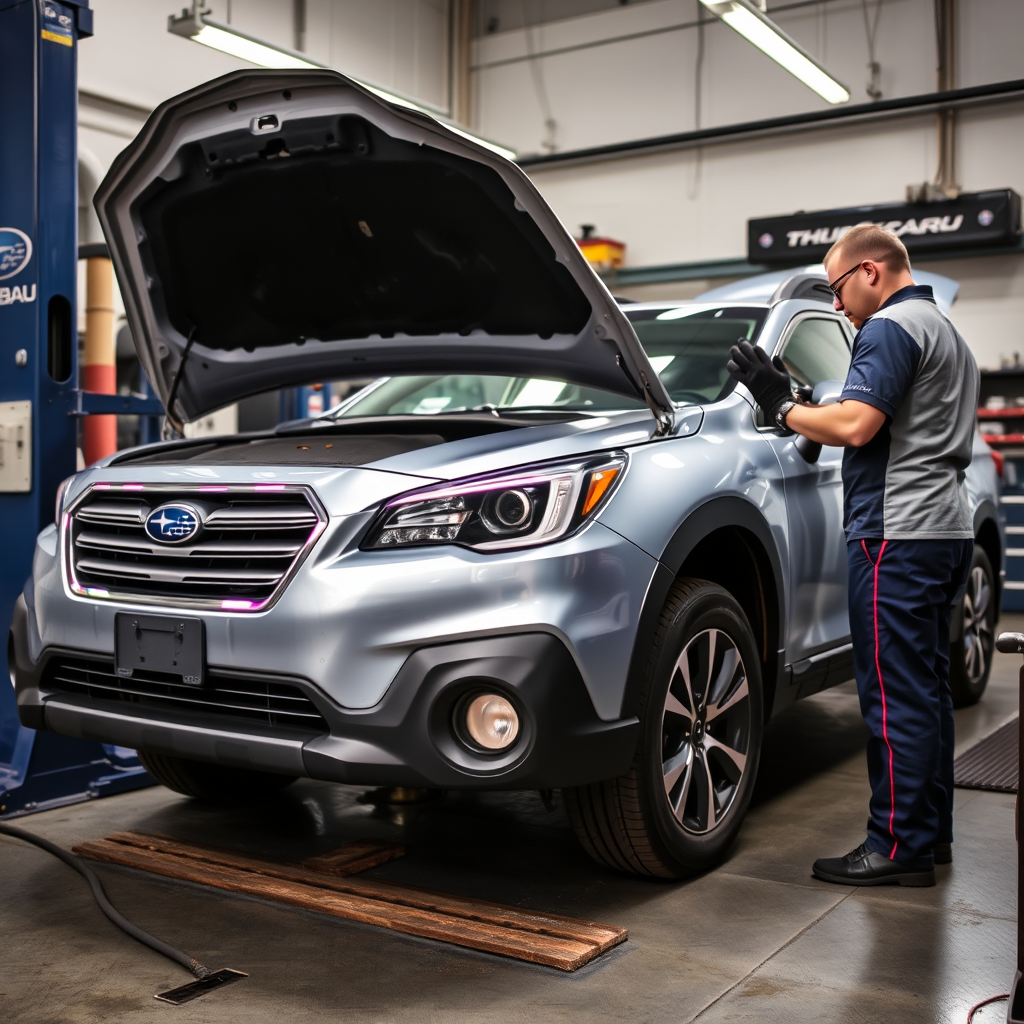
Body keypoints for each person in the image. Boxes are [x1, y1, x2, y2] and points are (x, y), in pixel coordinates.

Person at [728, 223, 979, 887]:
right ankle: (930, 835)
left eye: (838, 288)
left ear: (870, 271)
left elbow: (857, 424)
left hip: (896, 534)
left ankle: (896, 848)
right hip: (941, 529)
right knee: (924, 691)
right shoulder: (943, 328)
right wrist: (808, 403)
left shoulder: (891, 327)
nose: (838, 305)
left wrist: (782, 406)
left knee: (893, 698)